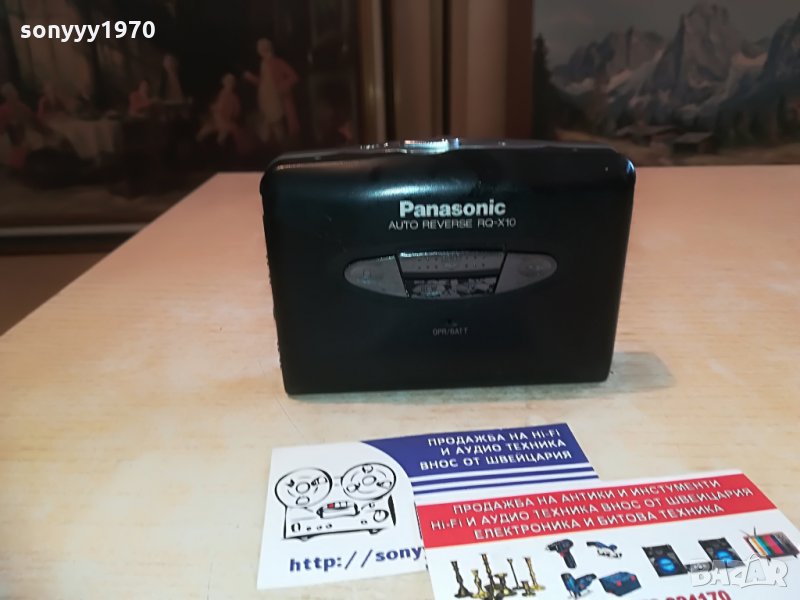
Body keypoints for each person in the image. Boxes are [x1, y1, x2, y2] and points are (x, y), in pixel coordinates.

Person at [244, 38, 299, 142]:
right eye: (259, 48)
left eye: (262, 48)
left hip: (274, 98)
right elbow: (263, 82)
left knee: (276, 123)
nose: (260, 50)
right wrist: (250, 77)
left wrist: (282, 86)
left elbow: (294, 77)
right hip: (265, 98)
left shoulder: (277, 62)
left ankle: (282, 143)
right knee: (269, 124)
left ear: (267, 48)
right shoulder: (263, 63)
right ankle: (274, 144)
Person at [0, 82, 43, 169]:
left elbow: (34, 121)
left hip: (27, 136)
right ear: (6, 97)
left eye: (14, 92)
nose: (14, 95)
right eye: (10, 94)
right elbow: (2, 130)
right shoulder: (2, 110)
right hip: (12, 140)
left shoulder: (22, 107)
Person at [196, 73, 241, 146]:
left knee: (228, 131)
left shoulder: (234, 97)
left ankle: (221, 144)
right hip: (218, 118)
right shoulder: (221, 94)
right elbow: (216, 106)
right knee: (211, 129)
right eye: (228, 81)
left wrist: (232, 114)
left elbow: (236, 111)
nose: (230, 83)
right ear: (224, 82)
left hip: (226, 120)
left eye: (232, 81)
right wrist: (214, 109)